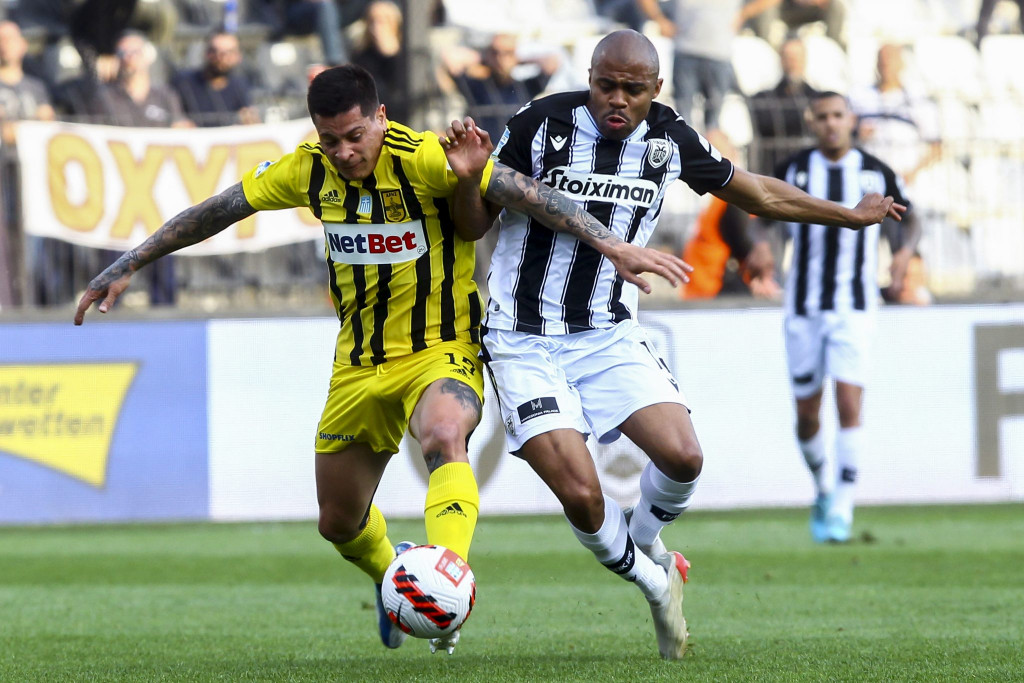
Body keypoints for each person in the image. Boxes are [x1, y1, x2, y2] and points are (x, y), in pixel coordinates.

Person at [73, 63, 689, 655]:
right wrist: (129, 263)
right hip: (358, 364)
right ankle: (396, 571)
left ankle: (445, 584)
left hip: (440, 347)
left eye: (355, 135)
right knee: (339, 523)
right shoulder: (306, 169)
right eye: (330, 139)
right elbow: (218, 209)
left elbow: (522, 190)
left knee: (445, 435)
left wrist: (611, 244)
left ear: (380, 117)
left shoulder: (421, 158)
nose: (344, 151)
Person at [481, 30, 903, 659]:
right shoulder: (542, 121)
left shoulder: (669, 137)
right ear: (589, 77)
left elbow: (756, 191)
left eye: (632, 89)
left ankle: (647, 544)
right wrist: (603, 239)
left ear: (657, 89)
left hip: (605, 331)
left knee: (683, 458)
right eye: (605, 85)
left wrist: (848, 215)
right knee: (583, 493)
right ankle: (655, 585)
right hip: (521, 335)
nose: (616, 99)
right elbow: (495, 190)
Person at [750, 91, 920, 543]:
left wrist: (903, 254)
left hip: (855, 306)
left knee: (848, 403)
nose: (830, 123)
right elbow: (759, 209)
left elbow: (909, 217)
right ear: (812, 122)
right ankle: (823, 485)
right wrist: (760, 244)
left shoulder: (874, 170)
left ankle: (843, 505)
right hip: (803, 307)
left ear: (851, 120)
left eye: (838, 115)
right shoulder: (794, 168)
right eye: (822, 116)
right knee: (807, 415)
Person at [636, 0, 771, 130]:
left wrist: (744, 13)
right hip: (686, 52)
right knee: (682, 120)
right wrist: (660, 20)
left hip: (718, 55)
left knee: (714, 123)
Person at [849, 43, 941, 188]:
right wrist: (857, 134)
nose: (886, 64)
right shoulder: (859, 96)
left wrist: (912, 173)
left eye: (891, 59)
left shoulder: (919, 99)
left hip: (908, 183)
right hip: (868, 180)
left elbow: (936, 147)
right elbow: (843, 136)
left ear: (902, 64)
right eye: (882, 60)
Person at [441, 33, 561, 142]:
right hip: (483, 154)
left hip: (513, 156)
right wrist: (485, 59)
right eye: (496, 52)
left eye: (508, 53)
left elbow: (552, 62)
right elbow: (449, 58)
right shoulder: (477, 87)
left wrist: (518, 60)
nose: (501, 58)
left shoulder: (524, 88)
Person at [748, 37, 818, 176]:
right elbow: (766, 124)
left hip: (810, 170)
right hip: (775, 169)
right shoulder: (763, 98)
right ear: (781, 60)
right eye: (788, 57)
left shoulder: (816, 97)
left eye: (797, 57)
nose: (792, 62)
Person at [172, 30, 259, 127]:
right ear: (206, 53)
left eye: (229, 52)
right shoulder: (183, 83)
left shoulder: (240, 85)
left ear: (238, 56)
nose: (221, 57)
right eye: (215, 51)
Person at [351, 0, 407, 124]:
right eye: (372, 21)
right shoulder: (361, 54)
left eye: (382, 21)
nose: (376, 27)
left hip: (402, 114)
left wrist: (391, 54)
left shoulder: (406, 52)